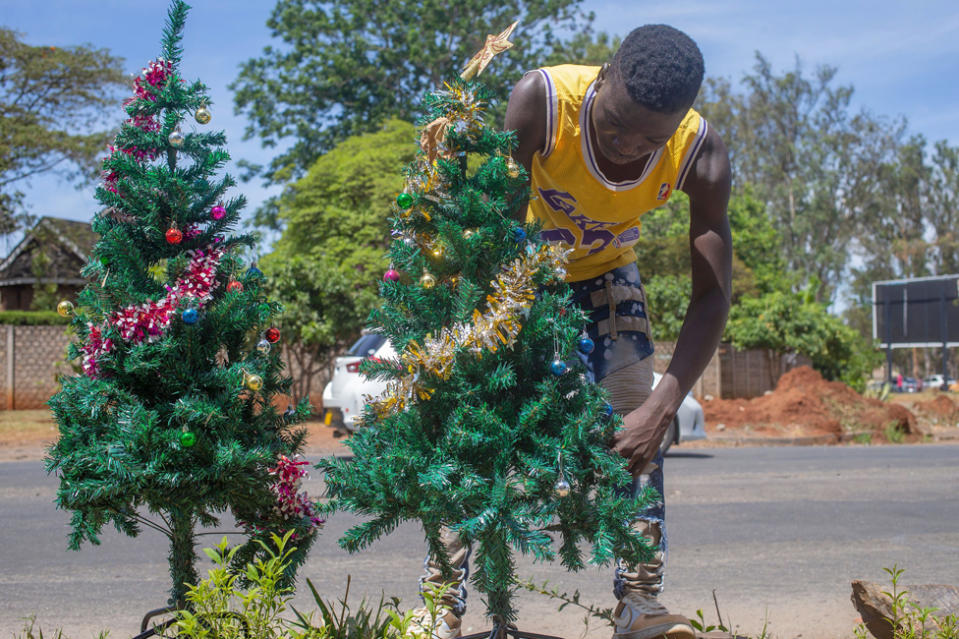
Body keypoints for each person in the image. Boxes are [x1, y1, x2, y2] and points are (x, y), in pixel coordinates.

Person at [412, 24, 732, 639]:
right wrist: (491, 333)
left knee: (638, 425)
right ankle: (438, 607)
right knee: (468, 425)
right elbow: (493, 221)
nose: (628, 146)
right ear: (603, 77)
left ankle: (641, 605)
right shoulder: (542, 100)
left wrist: (664, 407)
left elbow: (713, 293)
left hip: (608, 274)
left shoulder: (700, 152)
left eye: (650, 137)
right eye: (616, 124)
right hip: (518, 269)